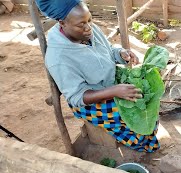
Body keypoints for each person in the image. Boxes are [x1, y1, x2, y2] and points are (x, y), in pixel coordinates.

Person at [35, 0, 160, 152]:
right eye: (82, 24)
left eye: (89, 19)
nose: (89, 27)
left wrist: (121, 53)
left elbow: (109, 50)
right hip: (90, 103)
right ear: (62, 23)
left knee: (146, 95)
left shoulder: (89, 28)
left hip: (111, 84)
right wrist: (114, 92)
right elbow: (77, 97)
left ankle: (146, 132)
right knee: (134, 109)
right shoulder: (58, 58)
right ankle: (142, 143)